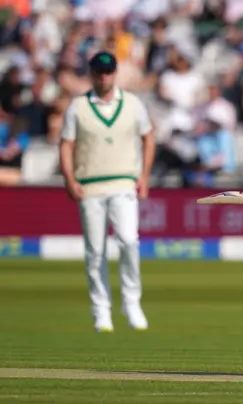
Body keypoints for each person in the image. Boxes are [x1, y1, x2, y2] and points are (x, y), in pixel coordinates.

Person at [58, 51, 156, 333]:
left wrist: (144, 176)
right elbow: (66, 145)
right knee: (95, 251)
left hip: (124, 183)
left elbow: (148, 138)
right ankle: (101, 310)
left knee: (128, 241)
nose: (104, 77)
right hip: (90, 186)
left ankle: (131, 302)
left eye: (109, 72)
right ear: (91, 74)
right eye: (99, 72)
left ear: (115, 73)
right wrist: (69, 178)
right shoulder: (77, 107)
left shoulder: (133, 104)